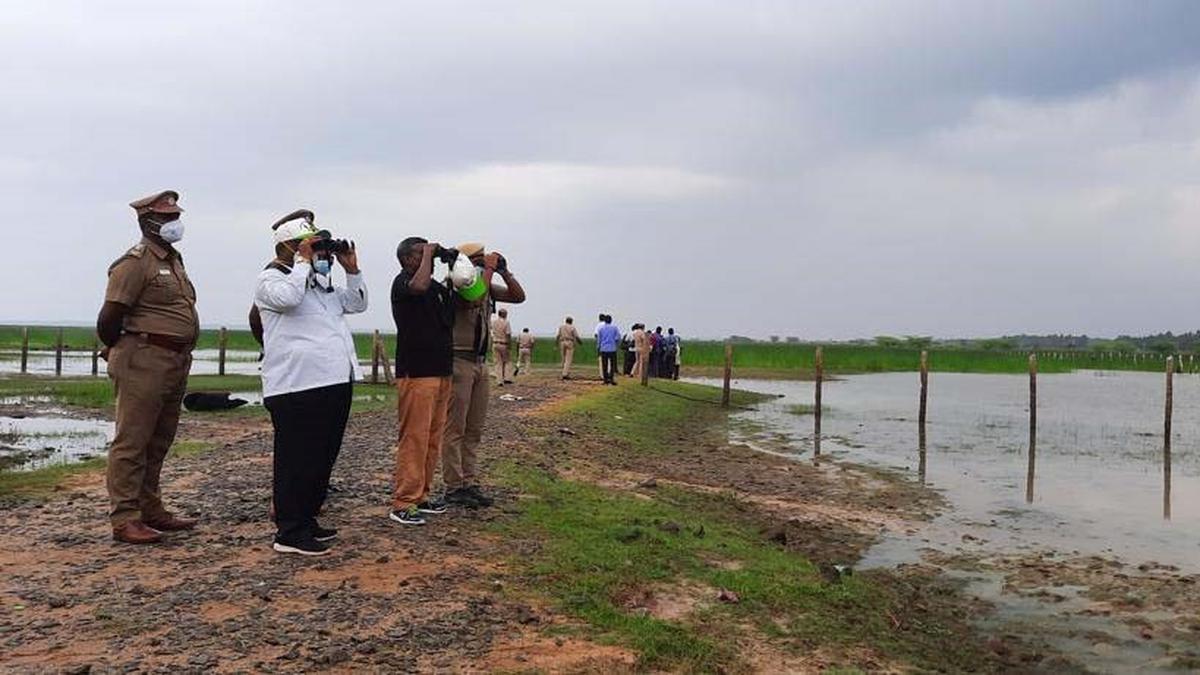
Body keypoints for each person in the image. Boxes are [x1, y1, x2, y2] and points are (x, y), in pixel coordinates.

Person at [255, 210, 367, 555]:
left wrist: (352, 271)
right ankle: (288, 532)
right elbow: (288, 301)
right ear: (290, 248)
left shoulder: (319, 284)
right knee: (296, 460)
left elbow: (357, 304)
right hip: (295, 386)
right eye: (313, 246)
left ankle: (307, 520)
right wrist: (303, 262)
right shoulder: (270, 280)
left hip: (333, 380)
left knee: (322, 456)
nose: (321, 254)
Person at [97, 189, 199, 545]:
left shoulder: (173, 260)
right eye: (168, 218)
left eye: (176, 217)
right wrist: (121, 349)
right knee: (133, 440)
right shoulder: (134, 263)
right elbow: (109, 317)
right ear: (148, 221)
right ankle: (125, 518)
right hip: (144, 358)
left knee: (158, 439)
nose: (175, 223)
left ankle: (150, 508)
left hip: (173, 359)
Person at [443, 242, 525, 509]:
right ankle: (454, 486)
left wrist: (504, 271)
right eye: (478, 260)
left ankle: (469, 481)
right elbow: (475, 298)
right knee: (455, 427)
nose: (483, 265)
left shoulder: (484, 284)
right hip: (459, 360)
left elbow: (519, 296)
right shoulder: (457, 284)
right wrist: (488, 270)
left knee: (474, 428)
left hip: (479, 362)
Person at [388, 237, 455, 526]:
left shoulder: (434, 287)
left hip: (441, 370)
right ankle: (404, 501)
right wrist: (430, 252)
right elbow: (419, 285)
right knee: (414, 437)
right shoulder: (403, 283)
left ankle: (422, 495)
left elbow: (466, 300)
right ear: (407, 259)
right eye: (420, 253)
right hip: (416, 372)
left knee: (432, 437)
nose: (426, 256)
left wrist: (454, 264)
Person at [491, 308, 514, 386]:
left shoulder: (493, 322)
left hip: (495, 343)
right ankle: (507, 378)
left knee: (498, 363)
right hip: (504, 343)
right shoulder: (506, 322)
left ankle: (499, 380)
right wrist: (509, 344)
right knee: (507, 361)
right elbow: (508, 334)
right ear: (504, 314)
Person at [596, 315, 621, 385]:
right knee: (612, 365)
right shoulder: (614, 328)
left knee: (604, 365)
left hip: (603, 348)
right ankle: (611, 379)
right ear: (611, 320)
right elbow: (617, 338)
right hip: (612, 349)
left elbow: (599, 340)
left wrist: (598, 348)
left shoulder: (601, 329)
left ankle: (605, 380)